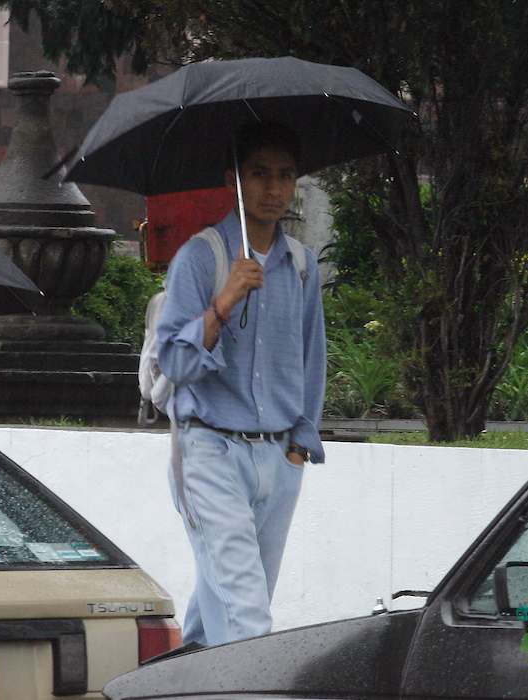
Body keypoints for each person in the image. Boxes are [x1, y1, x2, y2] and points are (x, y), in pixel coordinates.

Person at [155, 122, 327, 647]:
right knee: (246, 617)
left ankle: (183, 682)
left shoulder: (301, 265)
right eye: (259, 174)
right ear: (235, 179)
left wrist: (300, 443)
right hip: (209, 449)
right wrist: (224, 301)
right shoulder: (200, 257)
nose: (273, 189)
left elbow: (311, 358)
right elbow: (174, 362)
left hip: (279, 456)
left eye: (285, 176)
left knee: (220, 613)